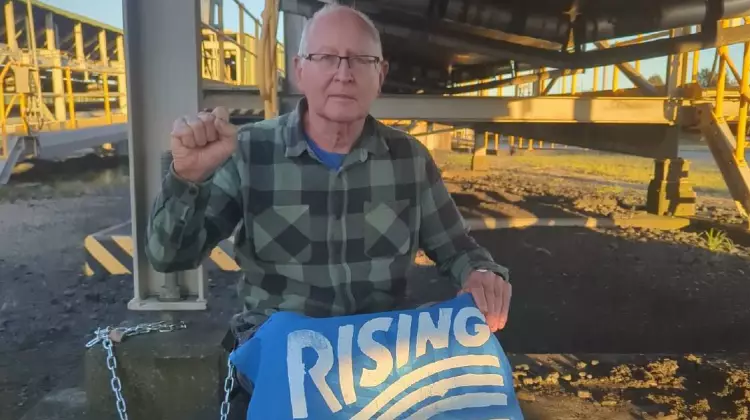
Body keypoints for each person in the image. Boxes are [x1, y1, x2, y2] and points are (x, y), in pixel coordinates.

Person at [146, 3, 511, 372]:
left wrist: (481, 273)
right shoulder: (249, 151)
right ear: (299, 70)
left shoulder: (409, 159)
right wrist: (187, 180)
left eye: (361, 59)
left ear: (380, 74)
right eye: (325, 57)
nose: (343, 74)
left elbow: (457, 248)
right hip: (278, 360)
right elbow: (170, 257)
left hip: (377, 363)